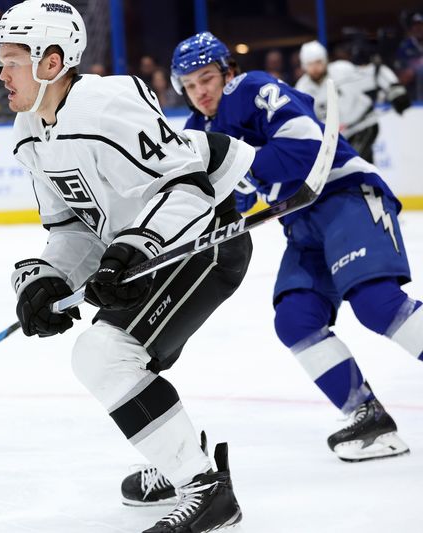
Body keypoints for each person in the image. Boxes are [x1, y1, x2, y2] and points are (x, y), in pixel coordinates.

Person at [120, 31, 423, 507]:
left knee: (376, 303)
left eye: (207, 78)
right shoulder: (202, 132)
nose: (201, 90)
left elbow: (304, 146)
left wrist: (240, 167)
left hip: (344, 197)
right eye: (190, 83)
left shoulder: (252, 89)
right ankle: (367, 415)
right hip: (302, 225)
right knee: (296, 319)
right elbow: (229, 202)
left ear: (227, 72)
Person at [0, 3, 257, 532]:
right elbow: (72, 228)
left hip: (202, 241)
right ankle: (178, 456)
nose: (2, 72)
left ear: (51, 62)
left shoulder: (107, 104)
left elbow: (188, 188)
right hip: (147, 253)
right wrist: (50, 279)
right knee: (112, 358)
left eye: (13, 59)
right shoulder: (29, 132)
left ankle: (205, 488)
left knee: (105, 353)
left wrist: (133, 248)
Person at [295, 40, 410, 163]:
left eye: (318, 62)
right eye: (310, 64)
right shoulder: (302, 88)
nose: (315, 68)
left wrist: (397, 93)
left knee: (351, 164)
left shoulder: (342, 71)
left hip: (363, 125)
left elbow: (377, 71)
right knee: (361, 171)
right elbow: (306, 120)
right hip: (340, 137)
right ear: (304, 66)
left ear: (325, 60)